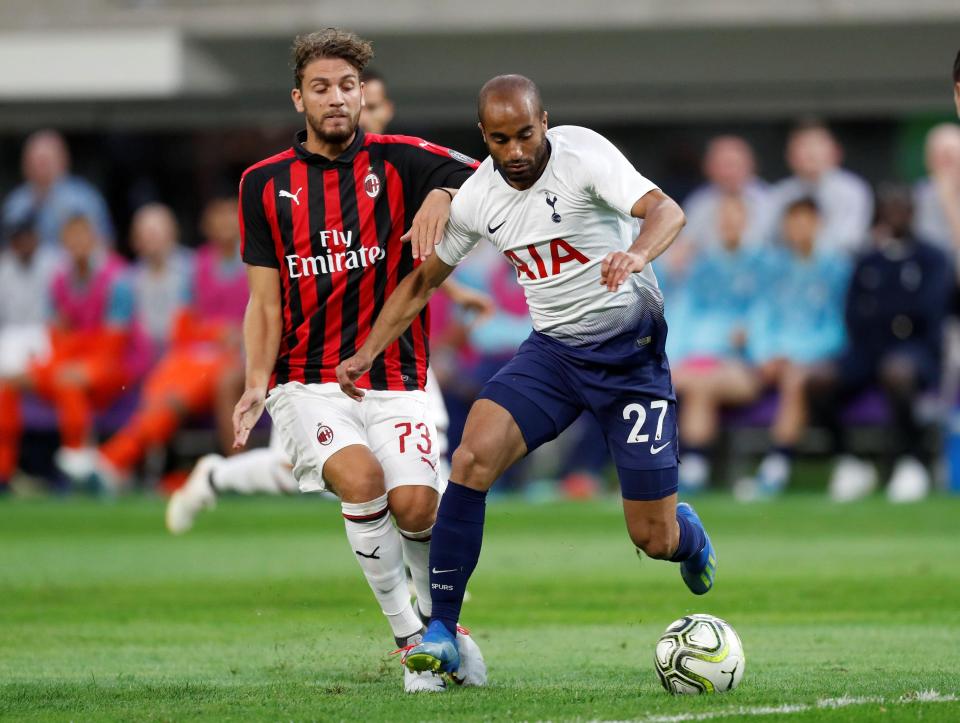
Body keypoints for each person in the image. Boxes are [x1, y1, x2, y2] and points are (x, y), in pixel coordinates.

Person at [337, 74, 716, 679]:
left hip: (632, 360)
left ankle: (686, 536)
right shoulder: (481, 195)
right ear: (483, 137)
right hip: (554, 357)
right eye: (499, 139)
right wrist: (365, 352)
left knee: (652, 538)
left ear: (544, 123)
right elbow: (422, 281)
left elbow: (665, 210)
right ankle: (442, 629)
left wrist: (639, 253)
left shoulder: (583, 155)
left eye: (523, 134)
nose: (514, 151)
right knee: (470, 459)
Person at [227, 29, 485, 693]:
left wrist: (441, 195)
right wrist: (256, 381)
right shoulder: (262, 184)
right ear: (299, 99)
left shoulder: (401, 160)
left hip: (396, 373)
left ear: (363, 94)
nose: (338, 98)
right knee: (362, 478)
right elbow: (262, 302)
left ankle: (442, 628)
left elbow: (480, 170)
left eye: (348, 86)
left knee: (418, 506)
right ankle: (411, 641)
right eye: (322, 88)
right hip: (304, 378)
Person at [56, 200, 252, 490]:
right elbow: (184, 326)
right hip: (182, 357)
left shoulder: (199, 267)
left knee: (171, 397)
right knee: (162, 394)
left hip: (224, 357)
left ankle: (110, 462)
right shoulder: (187, 269)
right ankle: (111, 465)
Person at [807, 187, 953, 503]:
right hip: (868, 349)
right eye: (888, 209)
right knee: (818, 380)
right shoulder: (869, 260)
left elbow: (930, 310)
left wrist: (891, 317)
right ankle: (850, 461)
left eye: (901, 209)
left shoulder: (932, 258)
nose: (894, 216)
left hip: (917, 350)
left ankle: (911, 460)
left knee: (897, 373)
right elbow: (853, 311)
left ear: (913, 214)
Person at [0, 214, 150, 492]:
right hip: (71, 365)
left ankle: (77, 469)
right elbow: (55, 336)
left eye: (84, 236)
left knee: (68, 382)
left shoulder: (117, 280)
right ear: (63, 243)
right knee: (9, 383)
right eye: (72, 237)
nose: (78, 243)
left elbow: (112, 345)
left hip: (115, 368)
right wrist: (62, 358)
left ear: (96, 239)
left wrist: (71, 352)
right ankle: (3, 473)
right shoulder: (59, 281)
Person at [734, 198, 850, 500]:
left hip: (815, 360)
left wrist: (794, 354)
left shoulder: (837, 269)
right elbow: (761, 315)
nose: (798, 228)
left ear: (818, 224)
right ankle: (691, 466)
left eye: (805, 221)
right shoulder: (774, 269)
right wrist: (764, 354)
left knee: (795, 379)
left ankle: (776, 466)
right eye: (792, 221)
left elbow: (837, 326)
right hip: (770, 360)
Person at [667, 194, 766, 493]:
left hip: (739, 364)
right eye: (725, 217)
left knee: (702, 384)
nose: (730, 223)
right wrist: (671, 359)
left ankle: (694, 466)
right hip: (693, 359)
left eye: (737, 216)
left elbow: (767, 315)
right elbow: (681, 314)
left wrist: (752, 341)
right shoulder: (699, 267)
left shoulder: (762, 266)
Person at [0, 212, 60, 488]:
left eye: (28, 237)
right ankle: (5, 470)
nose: (23, 243)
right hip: (10, 338)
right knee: (5, 386)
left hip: (44, 337)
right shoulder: (3, 268)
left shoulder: (56, 265)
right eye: (18, 238)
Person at [766, 120, 873, 254]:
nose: (811, 154)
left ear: (835, 152)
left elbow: (850, 239)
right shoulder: (780, 194)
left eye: (817, 145)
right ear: (790, 156)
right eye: (803, 146)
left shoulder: (853, 189)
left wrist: (808, 248)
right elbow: (771, 238)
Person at [2, 130, 114, 249]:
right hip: (26, 266)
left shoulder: (83, 198)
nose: (39, 167)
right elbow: (5, 249)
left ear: (63, 160)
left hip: (73, 265)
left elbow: (105, 243)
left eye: (44, 161)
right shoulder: (16, 203)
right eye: (34, 161)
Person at [912, 123, 960, 256]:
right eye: (942, 155)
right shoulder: (918, 193)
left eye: (952, 156)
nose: (947, 162)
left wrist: (949, 198)